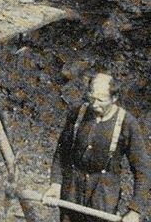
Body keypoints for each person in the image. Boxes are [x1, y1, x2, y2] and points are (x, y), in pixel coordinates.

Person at [48, 72, 149, 222]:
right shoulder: (78, 113)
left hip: (103, 195)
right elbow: (62, 152)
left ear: (114, 98)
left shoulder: (127, 123)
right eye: (91, 98)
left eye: (100, 100)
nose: (94, 104)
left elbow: (143, 169)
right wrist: (55, 184)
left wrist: (135, 209)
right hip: (72, 190)